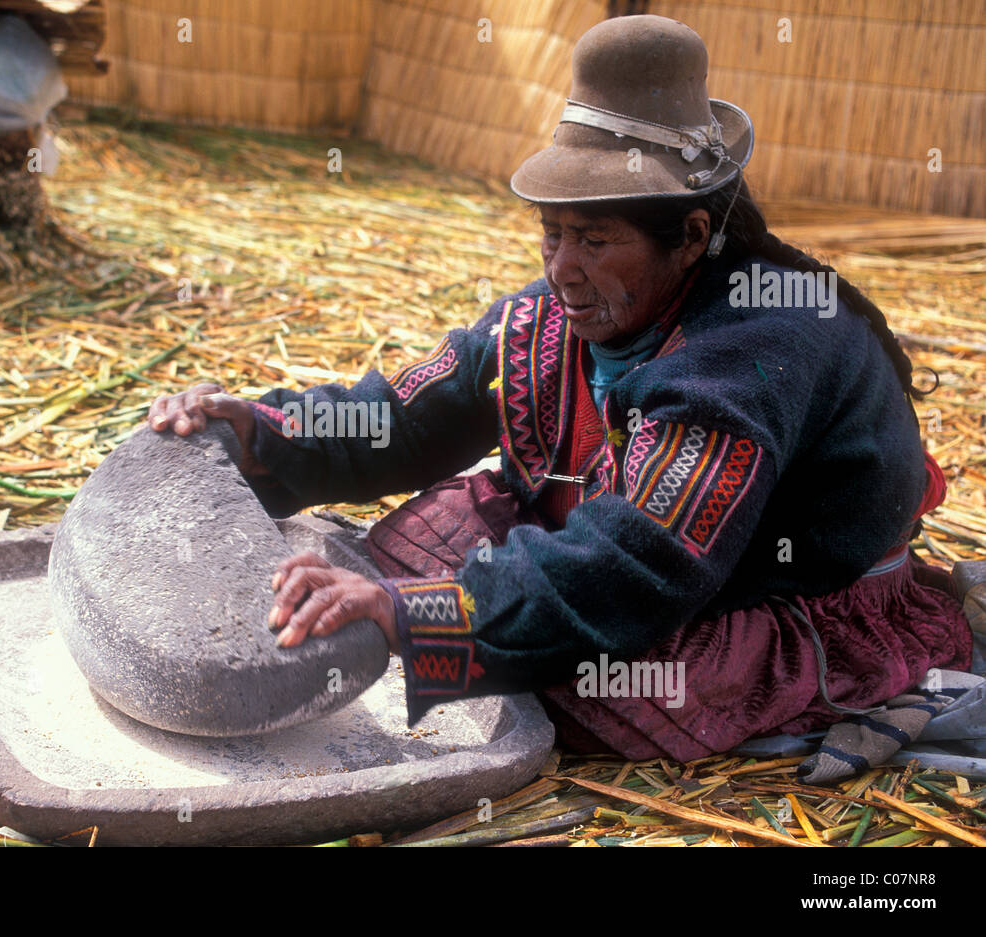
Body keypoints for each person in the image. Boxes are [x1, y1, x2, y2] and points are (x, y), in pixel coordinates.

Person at [147, 14, 974, 761]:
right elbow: (404, 418)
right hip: (624, 549)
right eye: (551, 234)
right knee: (426, 535)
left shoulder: (755, 351)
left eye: (593, 240)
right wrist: (259, 427)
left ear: (690, 238)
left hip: (758, 597)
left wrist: (408, 616)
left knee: (603, 680)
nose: (561, 269)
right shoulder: (552, 318)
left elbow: (634, 565)